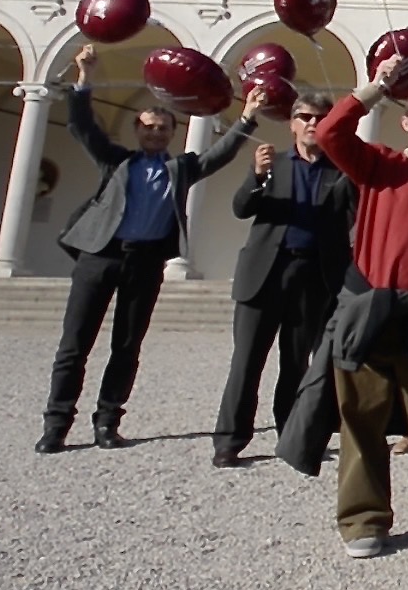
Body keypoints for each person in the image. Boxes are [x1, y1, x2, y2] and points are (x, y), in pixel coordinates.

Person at [293, 58, 408, 559]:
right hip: (368, 309)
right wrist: (377, 87)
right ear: (407, 119)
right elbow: (332, 130)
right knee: (362, 417)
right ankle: (363, 519)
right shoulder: (378, 163)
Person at [38, 43, 264, 454]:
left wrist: (247, 114)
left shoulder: (181, 169)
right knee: (74, 344)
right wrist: (86, 77)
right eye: (148, 127)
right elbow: (83, 127)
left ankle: (108, 421)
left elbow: (222, 153)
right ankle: (57, 423)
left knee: (126, 345)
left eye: (162, 128)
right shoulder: (117, 162)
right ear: (137, 130)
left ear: (172, 133)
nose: (155, 133)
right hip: (100, 257)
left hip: (144, 263)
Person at [212, 93, 355, 467]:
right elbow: (242, 208)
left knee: (296, 363)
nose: (312, 123)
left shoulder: (340, 171)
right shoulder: (273, 163)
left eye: (320, 117)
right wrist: (256, 178)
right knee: (246, 361)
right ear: (292, 123)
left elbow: (354, 218)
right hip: (265, 273)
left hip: (313, 276)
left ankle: (291, 435)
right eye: (304, 116)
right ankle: (229, 440)